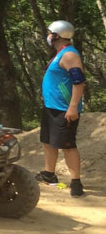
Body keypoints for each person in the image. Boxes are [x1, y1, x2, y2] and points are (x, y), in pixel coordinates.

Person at [37, 20, 86, 197]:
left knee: (67, 145)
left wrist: (73, 107)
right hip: (51, 106)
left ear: (57, 35)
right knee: (48, 142)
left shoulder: (70, 55)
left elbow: (79, 82)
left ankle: (76, 182)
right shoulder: (60, 54)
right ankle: (49, 174)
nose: (48, 36)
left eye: (50, 33)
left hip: (64, 109)